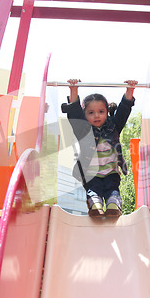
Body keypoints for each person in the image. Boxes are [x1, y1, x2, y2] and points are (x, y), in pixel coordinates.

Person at [61, 79, 138, 217]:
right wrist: (73, 90)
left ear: (107, 112)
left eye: (101, 111)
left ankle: (113, 206)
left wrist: (129, 91)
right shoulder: (84, 130)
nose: (96, 115)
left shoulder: (114, 125)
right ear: (84, 115)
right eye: (91, 112)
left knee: (112, 190)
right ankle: (95, 206)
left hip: (111, 172)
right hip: (91, 173)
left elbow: (123, 111)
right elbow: (74, 112)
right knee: (93, 190)